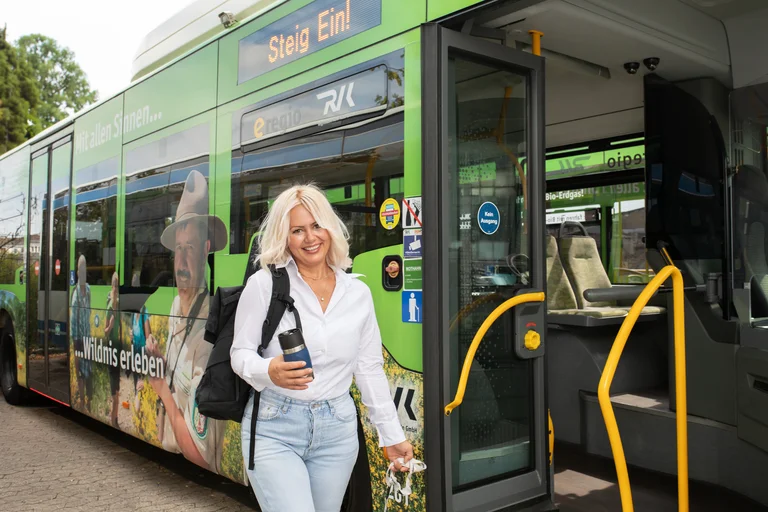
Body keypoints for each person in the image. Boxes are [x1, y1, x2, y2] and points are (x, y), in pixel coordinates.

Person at [231, 184, 414, 512]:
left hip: (337, 430)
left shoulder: (357, 293)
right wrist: (268, 370)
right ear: (285, 237)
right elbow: (239, 353)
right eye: (297, 230)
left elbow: (369, 369)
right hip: (275, 427)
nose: (310, 237)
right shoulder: (264, 285)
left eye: (316, 225)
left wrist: (391, 435)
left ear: (330, 228)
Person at [146, 169, 228, 472]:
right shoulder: (176, 307)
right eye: (178, 249)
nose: (180, 262)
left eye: (189, 248)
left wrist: (161, 389)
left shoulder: (209, 328)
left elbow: (200, 455)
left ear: (205, 250)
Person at [70, 255, 91, 412]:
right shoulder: (75, 294)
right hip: (78, 337)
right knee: (80, 372)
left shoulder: (88, 289)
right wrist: (76, 342)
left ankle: (89, 400)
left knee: (88, 368)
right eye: (80, 269)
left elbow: (89, 311)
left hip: (87, 335)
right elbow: (73, 321)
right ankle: (82, 401)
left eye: (84, 268)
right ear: (77, 272)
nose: (82, 271)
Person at [104, 271, 120, 428]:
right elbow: (105, 331)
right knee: (114, 392)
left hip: (119, 350)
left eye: (118, 285)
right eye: (114, 285)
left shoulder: (119, 306)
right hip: (111, 351)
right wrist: (110, 326)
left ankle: (115, 420)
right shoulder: (109, 307)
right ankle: (112, 421)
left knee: (118, 391)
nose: (116, 288)